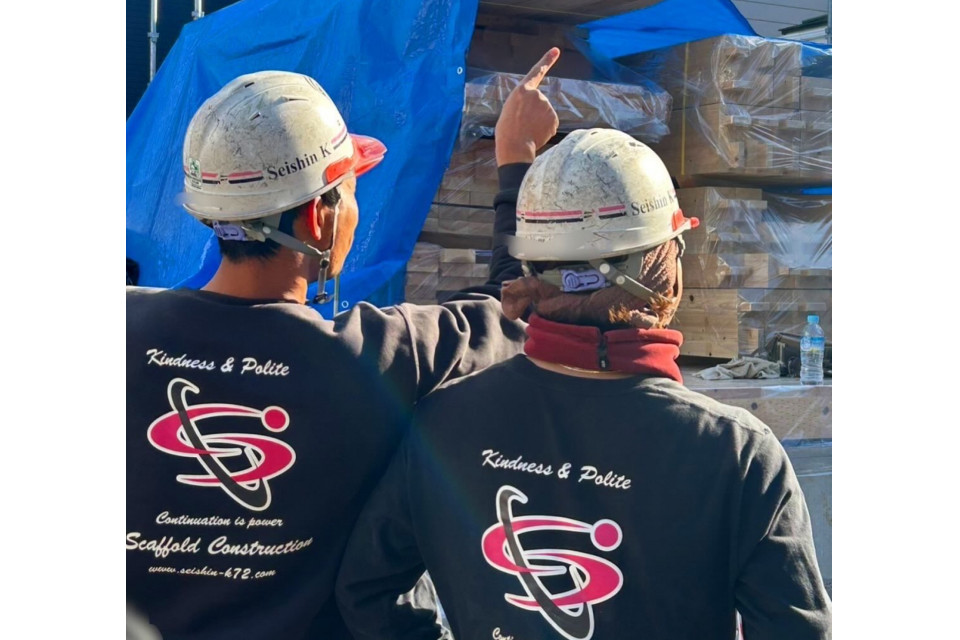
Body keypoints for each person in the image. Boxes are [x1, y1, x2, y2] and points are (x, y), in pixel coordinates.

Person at [127, 49, 560, 640]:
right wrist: (518, 162)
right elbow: (513, 310)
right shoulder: (383, 356)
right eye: (351, 190)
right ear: (320, 219)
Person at [335, 128, 833, 639]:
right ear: (658, 266)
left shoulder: (443, 421)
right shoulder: (735, 453)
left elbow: (369, 592)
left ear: (531, 263)